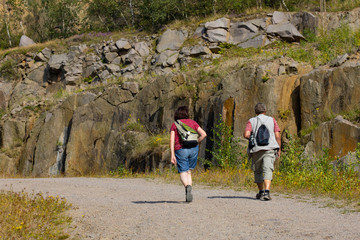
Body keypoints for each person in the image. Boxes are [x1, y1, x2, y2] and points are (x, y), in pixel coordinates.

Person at [243, 103, 281, 201]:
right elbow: (277, 136)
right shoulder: (272, 120)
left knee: (258, 170)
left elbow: (246, 134)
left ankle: (260, 192)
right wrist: (279, 148)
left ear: (256, 112)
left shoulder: (251, 121)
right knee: (268, 169)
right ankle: (267, 191)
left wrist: (252, 137)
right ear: (265, 110)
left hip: (256, 149)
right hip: (270, 148)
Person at [170, 106, 207, 202]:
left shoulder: (175, 124)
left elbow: (172, 141)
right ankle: (189, 190)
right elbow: (204, 134)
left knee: (183, 171)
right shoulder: (193, 122)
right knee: (189, 171)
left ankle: (187, 186)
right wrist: (196, 142)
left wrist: (172, 155)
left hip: (181, 149)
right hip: (193, 149)